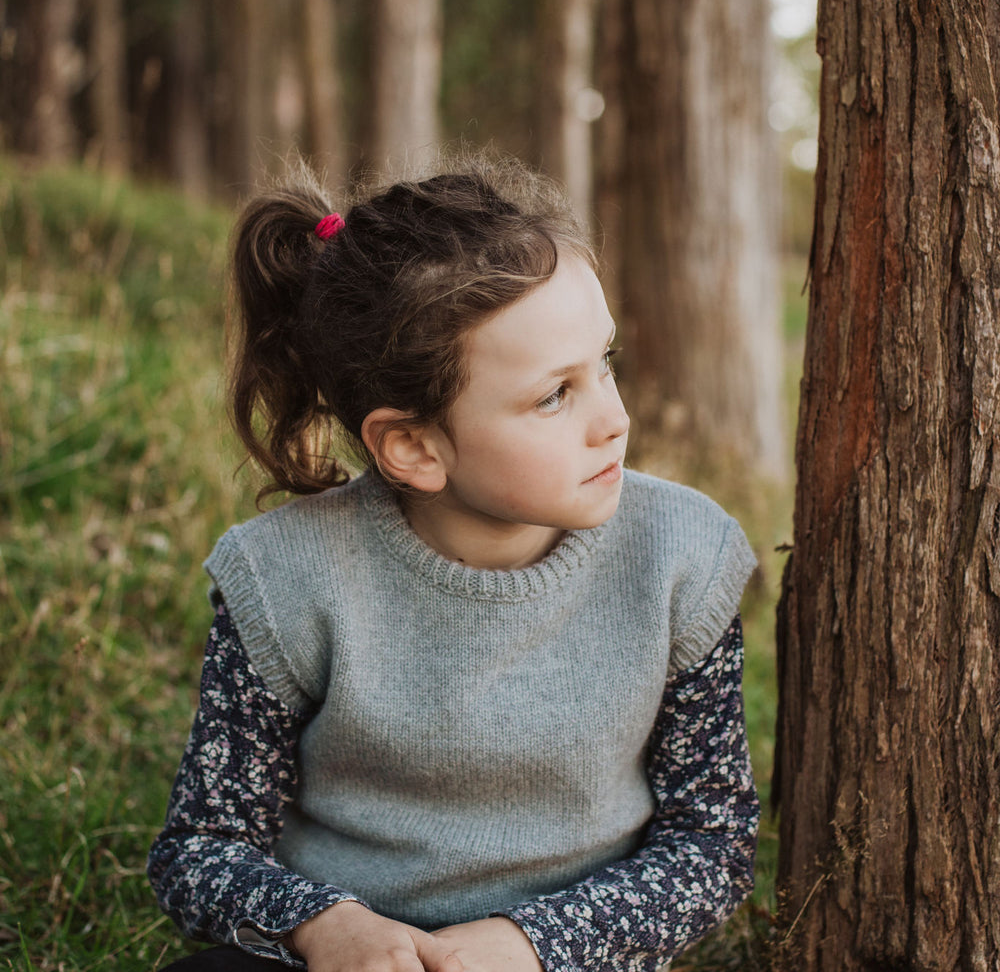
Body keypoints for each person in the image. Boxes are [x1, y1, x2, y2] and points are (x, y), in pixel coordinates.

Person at [147, 158, 760, 972]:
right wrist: (324, 926)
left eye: (604, 364)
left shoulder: (682, 556)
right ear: (413, 446)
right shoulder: (290, 579)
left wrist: (532, 945)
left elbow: (711, 845)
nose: (613, 419)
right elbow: (199, 846)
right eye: (554, 396)